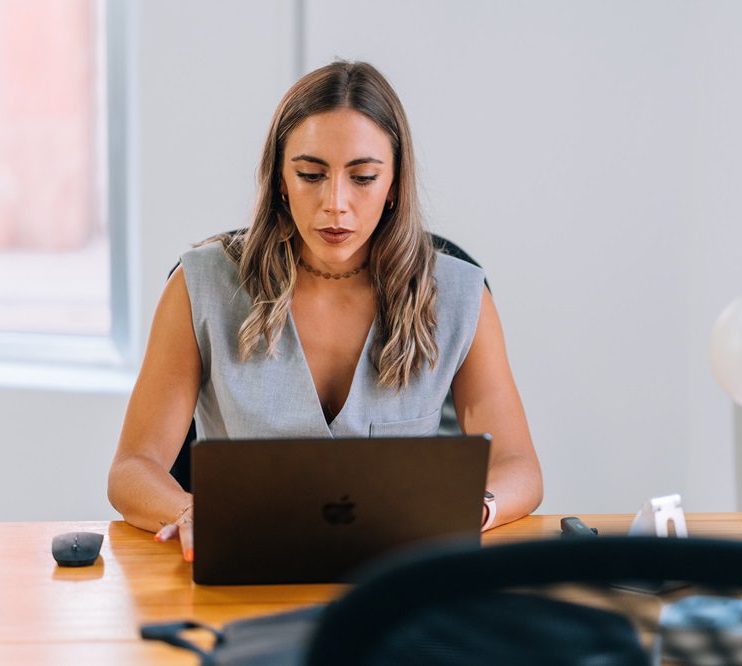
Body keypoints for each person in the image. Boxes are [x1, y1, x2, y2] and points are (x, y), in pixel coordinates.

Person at [107, 61, 543, 561]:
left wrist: (476, 508)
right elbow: (132, 469)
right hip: (246, 568)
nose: (335, 203)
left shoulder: (460, 292)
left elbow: (518, 466)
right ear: (279, 179)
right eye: (311, 175)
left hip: (395, 581)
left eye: (363, 177)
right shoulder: (199, 286)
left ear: (395, 183)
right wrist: (186, 510)